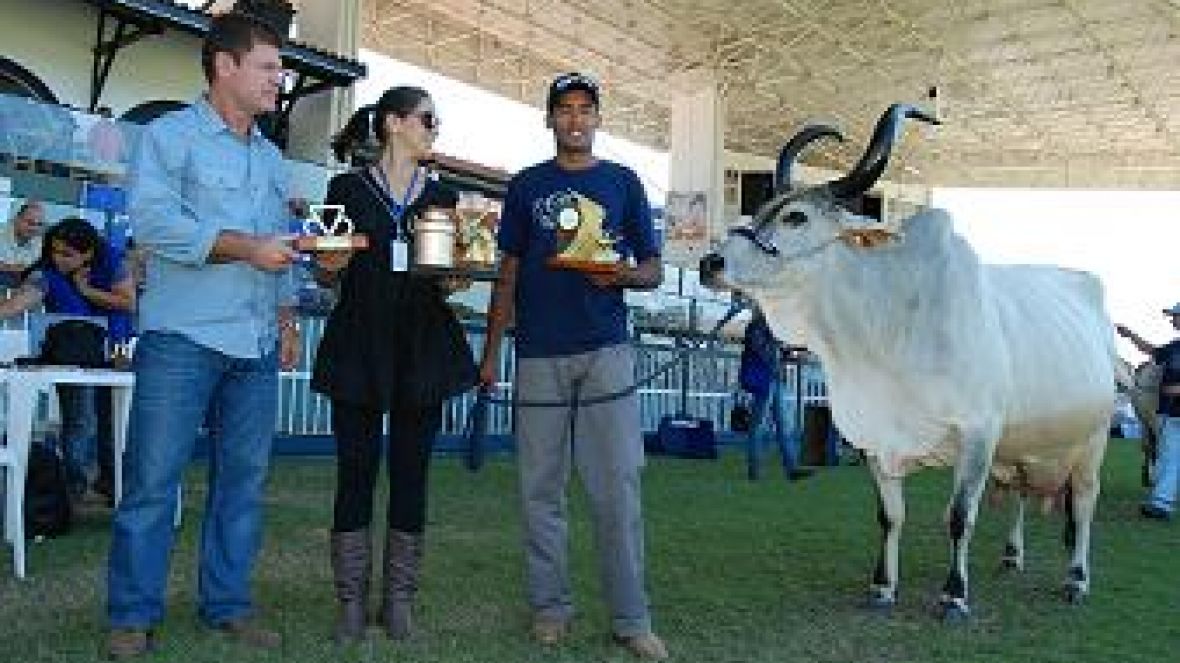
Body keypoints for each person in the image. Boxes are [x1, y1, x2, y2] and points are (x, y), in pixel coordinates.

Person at [104, 13, 301, 659]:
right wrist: (248, 248)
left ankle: (228, 604)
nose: (281, 78)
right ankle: (132, 614)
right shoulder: (168, 136)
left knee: (242, 485)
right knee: (153, 482)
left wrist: (289, 309)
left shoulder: (273, 158)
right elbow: (156, 225)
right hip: (182, 339)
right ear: (225, 66)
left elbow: (282, 243)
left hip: (255, 344)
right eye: (269, 67)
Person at [479, 72, 668, 660]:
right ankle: (549, 608)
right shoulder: (526, 186)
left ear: (598, 118)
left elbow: (654, 268)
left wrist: (622, 275)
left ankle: (632, 620)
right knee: (540, 491)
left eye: (586, 109)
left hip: (606, 351)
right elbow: (508, 271)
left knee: (617, 490)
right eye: (565, 109)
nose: (576, 119)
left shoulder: (623, 182)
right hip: (538, 353)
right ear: (549, 119)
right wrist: (490, 353)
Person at [310, 87, 476, 643]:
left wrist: (459, 274)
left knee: (412, 476)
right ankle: (350, 604)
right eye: (428, 119)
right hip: (359, 343)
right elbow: (324, 275)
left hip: (422, 347)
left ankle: (399, 602)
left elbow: (450, 280)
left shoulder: (445, 194)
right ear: (393, 123)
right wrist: (327, 263)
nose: (435, 128)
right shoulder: (345, 188)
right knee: (354, 474)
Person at [0, 217, 134, 501]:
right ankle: (74, 488)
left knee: (112, 419)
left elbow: (127, 302)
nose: (58, 259)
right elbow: (21, 301)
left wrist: (86, 291)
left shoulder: (113, 261)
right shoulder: (45, 273)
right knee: (80, 419)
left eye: (67, 254)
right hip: (70, 354)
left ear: (88, 253)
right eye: (55, 251)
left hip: (116, 346)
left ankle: (111, 482)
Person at [1117, 305, 1180, 521]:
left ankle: (1161, 502)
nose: (1173, 321)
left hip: (1173, 412)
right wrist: (1130, 335)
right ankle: (1161, 503)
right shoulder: (1174, 347)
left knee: (1170, 457)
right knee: (1167, 457)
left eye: (1176, 317)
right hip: (1168, 413)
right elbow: (1150, 351)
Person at [738, 310, 813, 481]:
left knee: (783, 427)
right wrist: (785, 352)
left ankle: (792, 469)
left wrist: (793, 355)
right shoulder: (758, 326)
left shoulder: (771, 328)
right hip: (764, 380)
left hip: (773, 379)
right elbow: (762, 350)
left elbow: (773, 352)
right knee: (758, 428)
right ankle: (755, 473)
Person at [0, 200, 46, 285]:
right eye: (30, 223)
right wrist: (12, 268)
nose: (34, 228)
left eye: (39, 224)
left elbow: (32, 270)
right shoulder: (2, 233)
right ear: (17, 219)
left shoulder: (39, 242)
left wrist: (7, 267)